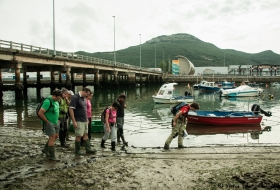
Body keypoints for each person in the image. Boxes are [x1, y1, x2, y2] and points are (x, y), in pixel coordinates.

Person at [69, 87, 96, 155]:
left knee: (85, 134)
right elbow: (71, 109)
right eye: (87, 94)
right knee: (79, 135)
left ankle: (88, 149)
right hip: (78, 119)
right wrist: (74, 121)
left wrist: (87, 118)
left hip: (84, 119)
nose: (87, 95)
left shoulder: (84, 98)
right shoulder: (75, 97)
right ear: (83, 91)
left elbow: (84, 109)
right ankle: (77, 150)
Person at [38, 89, 62, 161]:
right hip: (49, 122)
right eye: (58, 98)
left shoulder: (57, 101)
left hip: (56, 121)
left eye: (60, 98)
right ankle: (52, 156)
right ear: (54, 95)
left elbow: (56, 110)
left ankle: (45, 149)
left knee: (56, 136)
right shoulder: (48, 101)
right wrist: (46, 121)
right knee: (52, 137)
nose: (59, 99)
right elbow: (40, 113)